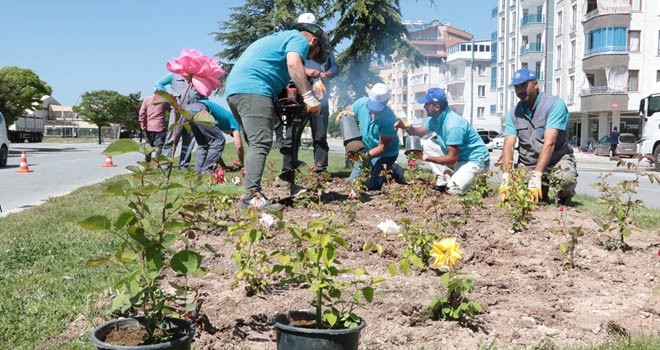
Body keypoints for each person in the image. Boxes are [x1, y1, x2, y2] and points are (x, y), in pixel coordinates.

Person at [225, 21, 329, 211]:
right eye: (312, 54)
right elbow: (293, 63)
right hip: (254, 89)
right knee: (260, 142)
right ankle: (251, 199)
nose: (307, 57)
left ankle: (252, 193)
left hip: (235, 90)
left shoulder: (278, 38)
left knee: (256, 142)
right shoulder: (298, 39)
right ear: (313, 40)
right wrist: (308, 96)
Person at [277, 12, 339, 194]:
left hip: (320, 92)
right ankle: (287, 171)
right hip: (297, 92)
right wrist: (308, 70)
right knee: (292, 133)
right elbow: (289, 63)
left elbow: (334, 66)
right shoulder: (293, 43)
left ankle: (321, 170)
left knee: (320, 134)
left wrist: (326, 74)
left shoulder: (323, 48)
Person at [496, 68, 577, 204]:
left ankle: (564, 198)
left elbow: (550, 143)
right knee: (516, 196)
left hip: (556, 159)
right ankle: (542, 193)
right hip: (528, 163)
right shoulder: (513, 113)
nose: (520, 90)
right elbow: (508, 146)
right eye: (517, 87)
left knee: (566, 179)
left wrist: (537, 174)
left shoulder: (554, 105)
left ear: (535, 84)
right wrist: (507, 176)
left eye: (524, 85)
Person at [396, 88, 490, 195]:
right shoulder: (435, 120)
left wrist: (424, 157)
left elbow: (451, 159)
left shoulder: (453, 125)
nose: (424, 107)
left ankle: (475, 181)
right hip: (460, 158)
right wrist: (406, 127)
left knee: (453, 191)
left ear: (437, 107)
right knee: (427, 144)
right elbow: (419, 133)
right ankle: (444, 179)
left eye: (427, 104)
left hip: (475, 160)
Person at [343, 83, 406, 193]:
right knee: (354, 181)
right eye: (372, 105)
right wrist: (345, 116)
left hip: (386, 154)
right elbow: (348, 114)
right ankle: (384, 168)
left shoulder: (389, 118)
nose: (374, 111)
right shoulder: (362, 103)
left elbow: (382, 147)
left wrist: (364, 157)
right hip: (367, 150)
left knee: (372, 185)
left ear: (386, 102)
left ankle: (394, 170)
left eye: (378, 107)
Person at [155, 73, 196, 170]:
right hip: (177, 110)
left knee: (189, 139)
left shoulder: (197, 76)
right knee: (172, 138)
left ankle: (184, 166)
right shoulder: (174, 75)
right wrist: (169, 97)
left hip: (193, 111)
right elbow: (158, 84)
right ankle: (165, 165)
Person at [139, 93, 171, 162]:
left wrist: (142, 124)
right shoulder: (164, 100)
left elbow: (142, 113)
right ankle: (157, 162)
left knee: (148, 145)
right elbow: (171, 110)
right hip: (160, 127)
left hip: (148, 127)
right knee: (159, 146)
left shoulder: (147, 99)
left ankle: (147, 161)